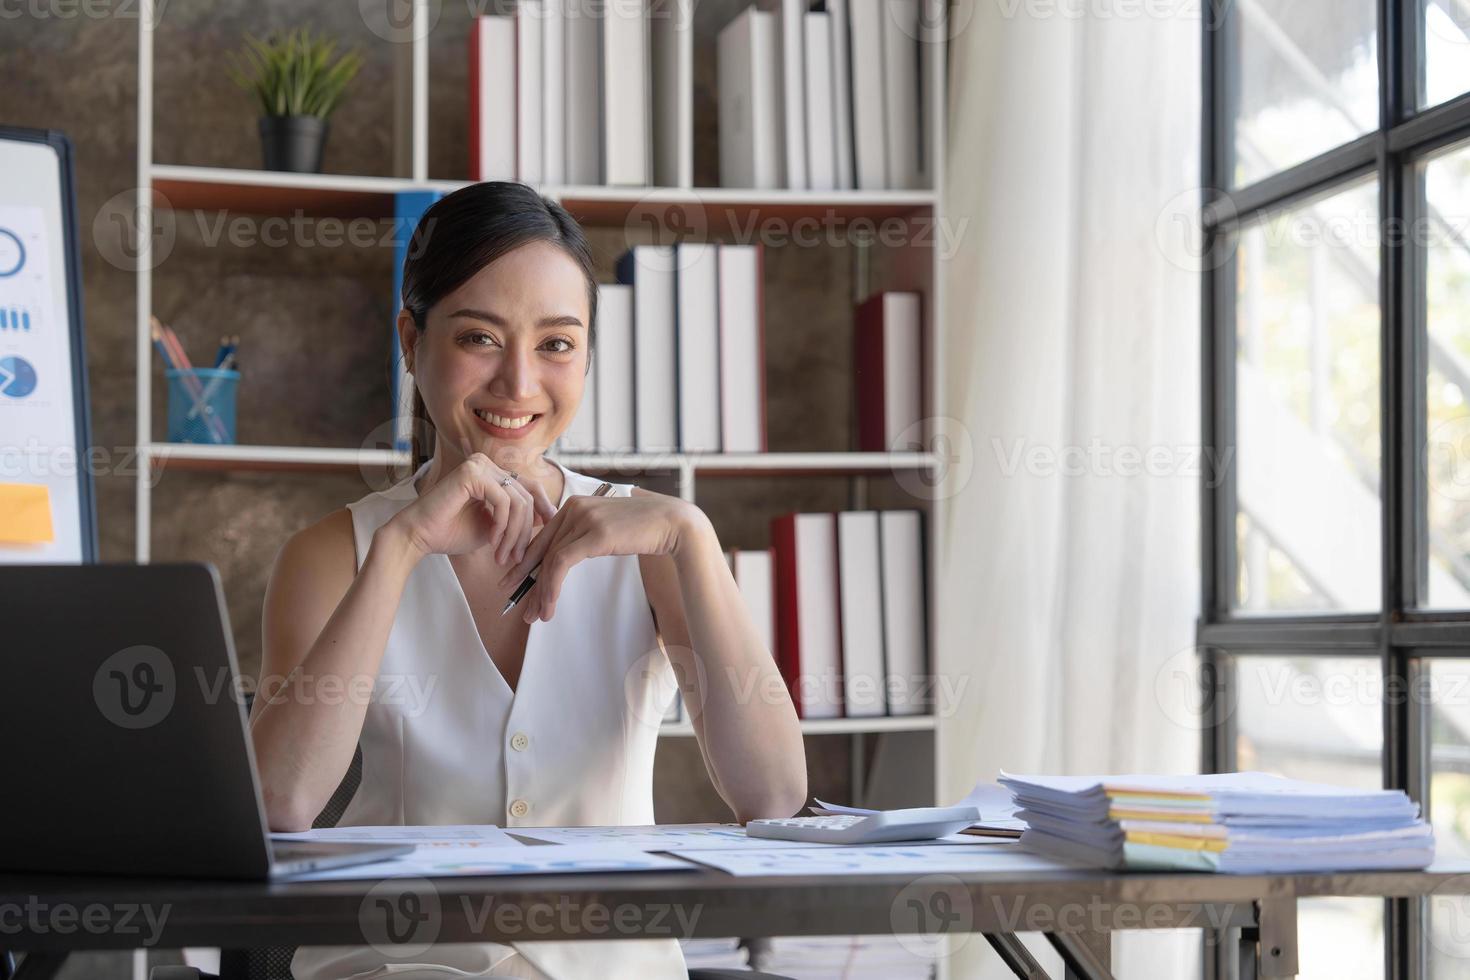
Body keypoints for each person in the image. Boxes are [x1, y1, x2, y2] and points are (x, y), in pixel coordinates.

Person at [247, 181, 807, 979]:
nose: (518, 384)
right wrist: (402, 547)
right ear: (412, 342)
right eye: (479, 337)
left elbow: (776, 796)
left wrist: (692, 535)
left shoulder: (654, 543)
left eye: (555, 344)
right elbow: (279, 804)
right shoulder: (335, 550)